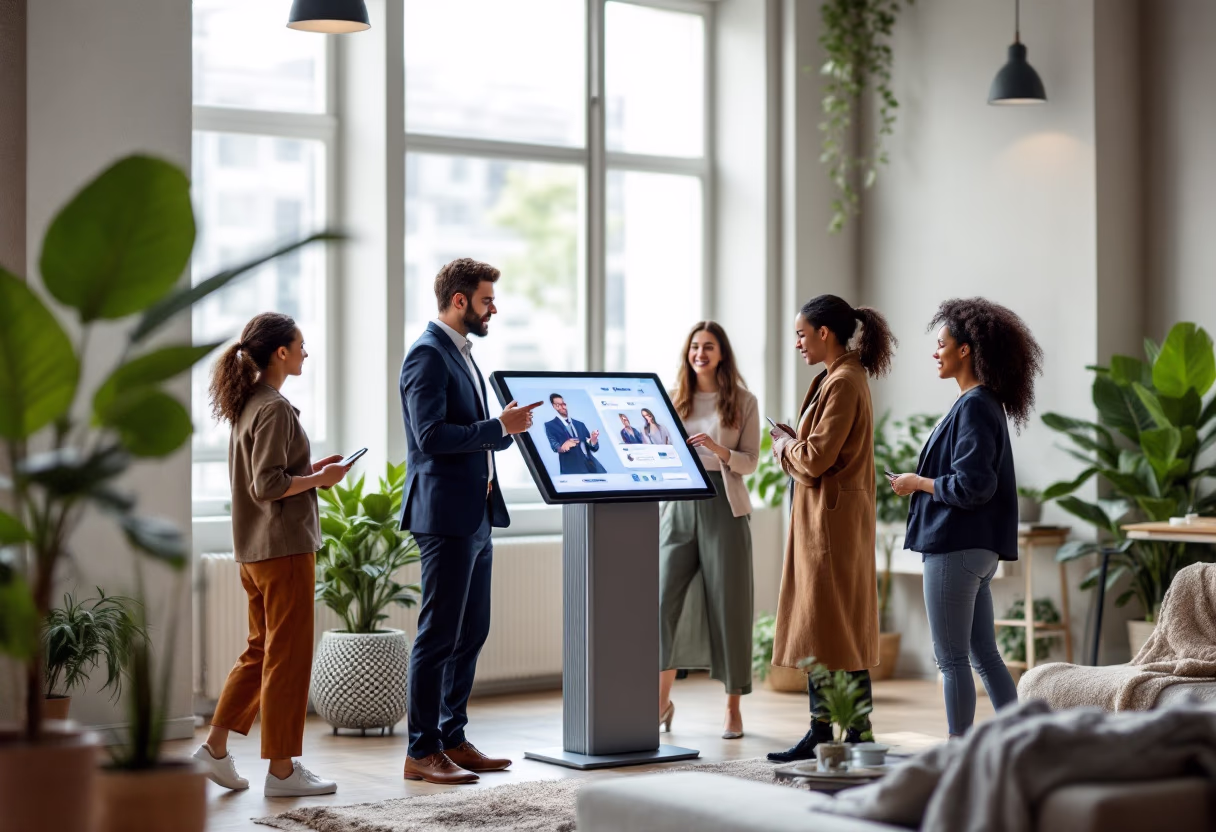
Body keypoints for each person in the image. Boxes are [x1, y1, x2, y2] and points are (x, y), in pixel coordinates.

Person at [193, 312, 349, 797]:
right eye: (300, 345)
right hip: (284, 551)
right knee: (288, 657)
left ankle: (214, 749)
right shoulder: (275, 407)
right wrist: (319, 479)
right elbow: (268, 485)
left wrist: (313, 470)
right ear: (281, 352)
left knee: (260, 651)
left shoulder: (250, 404)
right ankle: (282, 771)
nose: (305, 353)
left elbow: (270, 474)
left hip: (255, 551)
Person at [398, 258, 539, 785]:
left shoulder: (461, 354)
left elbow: (471, 433)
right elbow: (430, 437)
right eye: (486, 300)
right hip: (444, 516)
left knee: (471, 631)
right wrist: (497, 426)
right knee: (438, 635)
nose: (493, 310)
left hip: (477, 514)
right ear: (459, 301)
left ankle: (452, 737)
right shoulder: (427, 354)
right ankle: (421, 750)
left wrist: (505, 430)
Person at [889, 298, 1042, 737]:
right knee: (983, 655)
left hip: (954, 547)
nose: (935, 353)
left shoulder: (974, 405)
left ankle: (959, 754)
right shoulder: (982, 402)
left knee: (951, 659)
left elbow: (973, 485)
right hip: (974, 551)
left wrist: (918, 483)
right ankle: (1020, 742)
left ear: (965, 350)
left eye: (941, 344)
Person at [767, 295, 897, 763]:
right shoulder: (838, 376)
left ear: (824, 333)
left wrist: (782, 446)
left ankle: (842, 731)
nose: (797, 343)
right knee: (832, 627)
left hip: (830, 524)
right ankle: (839, 730)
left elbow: (816, 459)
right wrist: (795, 442)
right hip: (827, 519)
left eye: (801, 334)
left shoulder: (843, 381)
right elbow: (820, 451)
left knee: (829, 626)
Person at [659, 322, 760, 740]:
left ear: (722, 354)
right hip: (679, 503)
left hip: (724, 504)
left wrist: (720, 451)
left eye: (709, 346)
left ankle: (733, 709)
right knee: (661, 604)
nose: (700, 353)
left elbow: (751, 461)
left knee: (729, 606)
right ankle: (660, 703)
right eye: (695, 346)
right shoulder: (671, 398)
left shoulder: (744, 401)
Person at [544, 394, 606, 473]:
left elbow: (593, 447)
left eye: (563, 404)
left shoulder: (580, 424)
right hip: (572, 469)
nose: (563, 407)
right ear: (554, 406)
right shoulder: (550, 425)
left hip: (593, 467)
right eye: (558, 405)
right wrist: (563, 447)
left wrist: (593, 441)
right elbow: (554, 446)